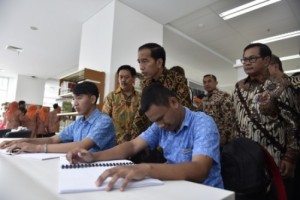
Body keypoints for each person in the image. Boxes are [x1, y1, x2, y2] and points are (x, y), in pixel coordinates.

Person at [67, 84, 223, 191]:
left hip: (207, 193)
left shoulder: (202, 123)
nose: (160, 125)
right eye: (155, 121)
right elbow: (132, 146)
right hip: (175, 188)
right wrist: (93, 156)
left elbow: (200, 169)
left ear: (174, 102)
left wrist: (147, 168)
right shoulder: (160, 125)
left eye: (161, 118)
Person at [232, 43, 299, 199]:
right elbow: (236, 118)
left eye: (252, 58)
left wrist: (290, 157)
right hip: (246, 159)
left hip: (273, 158)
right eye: (244, 59)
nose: (247, 63)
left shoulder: (281, 85)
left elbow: (293, 124)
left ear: (267, 60)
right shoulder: (239, 87)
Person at [0, 82, 116, 153]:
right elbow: (52, 140)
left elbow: (81, 146)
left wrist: (37, 148)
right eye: (73, 98)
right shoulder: (79, 122)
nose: (74, 103)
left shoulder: (104, 121)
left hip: (100, 170)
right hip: (81, 166)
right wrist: (23, 141)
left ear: (92, 99)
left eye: (79, 98)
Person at [131, 43, 193, 163]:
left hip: (174, 140)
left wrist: (159, 147)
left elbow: (183, 115)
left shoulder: (177, 80)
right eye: (139, 62)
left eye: (145, 61)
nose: (141, 67)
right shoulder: (145, 83)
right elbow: (141, 112)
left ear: (159, 62)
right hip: (153, 137)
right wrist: (135, 140)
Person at [102, 65, 141, 144]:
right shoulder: (111, 96)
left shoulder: (140, 97)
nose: (123, 80)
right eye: (121, 77)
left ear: (133, 79)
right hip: (115, 141)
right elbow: (104, 118)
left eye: (126, 77)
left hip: (136, 141)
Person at [198, 74, 234, 147]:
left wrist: (225, 136)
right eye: (204, 82)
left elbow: (229, 117)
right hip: (208, 135)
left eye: (209, 81)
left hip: (222, 136)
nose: (207, 84)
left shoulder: (224, 96)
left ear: (216, 82)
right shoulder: (204, 100)